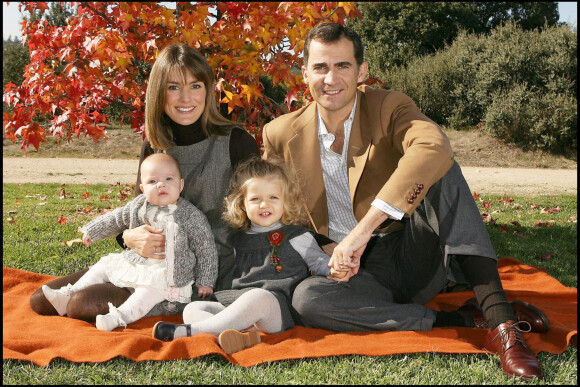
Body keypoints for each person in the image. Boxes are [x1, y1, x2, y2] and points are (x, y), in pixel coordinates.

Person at [262, 22, 549, 380]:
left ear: (361, 71)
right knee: (308, 301)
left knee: (440, 169)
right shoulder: (278, 134)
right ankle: (465, 319)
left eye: (342, 66)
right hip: (354, 275)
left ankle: (504, 325)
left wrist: (361, 231)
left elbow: (433, 147)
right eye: (320, 67)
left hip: (411, 251)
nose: (330, 78)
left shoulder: (390, 106)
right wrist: (324, 249)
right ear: (304, 72)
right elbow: (282, 210)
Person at [30, 43, 260, 321]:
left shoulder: (236, 142)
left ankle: (132, 305)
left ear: (208, 90)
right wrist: (127, 237)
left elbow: (259, 217)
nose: (185, 97)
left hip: (194, 274)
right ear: (159, 93)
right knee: (40, 300)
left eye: (195, 86)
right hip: (143, 260)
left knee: (81, 305)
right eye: (173, 87)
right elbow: (137, 208)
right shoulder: (154, 144)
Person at [152, 157, 348, 354]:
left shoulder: (297, 236)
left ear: (285, 200)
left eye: (273, 197)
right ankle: (239, 336)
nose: (264, 205)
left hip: (276, 309)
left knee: (258, 297)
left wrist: (334, 268)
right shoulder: (237, 239)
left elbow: (319, 261)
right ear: (243, 204)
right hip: (239, 302)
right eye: (256, 199)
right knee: (193, 309)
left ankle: (190, 332)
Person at [41, 153, 218, 331]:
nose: (161, 184)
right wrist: (92, 231)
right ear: (142, 188)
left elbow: (206, 248)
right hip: (136, 262)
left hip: (166, 275)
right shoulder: (139, 205)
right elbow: (116, 219)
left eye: (169, 179)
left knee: (145, 294)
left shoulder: (191, 216)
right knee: (104, 264)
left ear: (181, 185)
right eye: (152, 182)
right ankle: (67, 295)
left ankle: (117, 317)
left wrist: (205, 281)